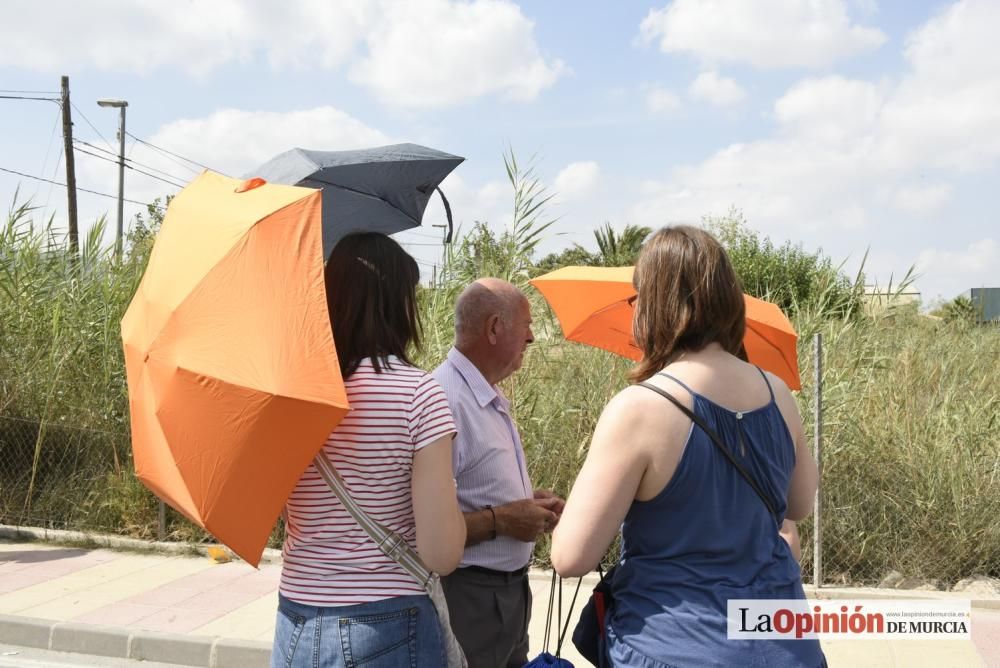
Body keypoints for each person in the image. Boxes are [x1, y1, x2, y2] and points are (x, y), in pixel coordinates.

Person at [551, 226, 825, 667]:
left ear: (657, 304)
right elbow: (799, 504)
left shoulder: (640, 408)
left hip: (673, 644)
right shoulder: (778, 393)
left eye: (637, 297)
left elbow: (570, 557)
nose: (635, 309)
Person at [272, 232, 466, 668]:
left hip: (296, 619)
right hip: (389, 623)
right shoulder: (418, 394)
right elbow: (442, 553)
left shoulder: (291, 394)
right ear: (397, 307)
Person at [432, 278, 565, 668]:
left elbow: (474, 487)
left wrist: (526, 505)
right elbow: (424, 527)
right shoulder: (447, 400)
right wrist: (503, 520)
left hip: (507, 594)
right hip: (470, 596)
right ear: (494, 328)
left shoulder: (485, 394)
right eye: (526, 324)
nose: (533, 337)